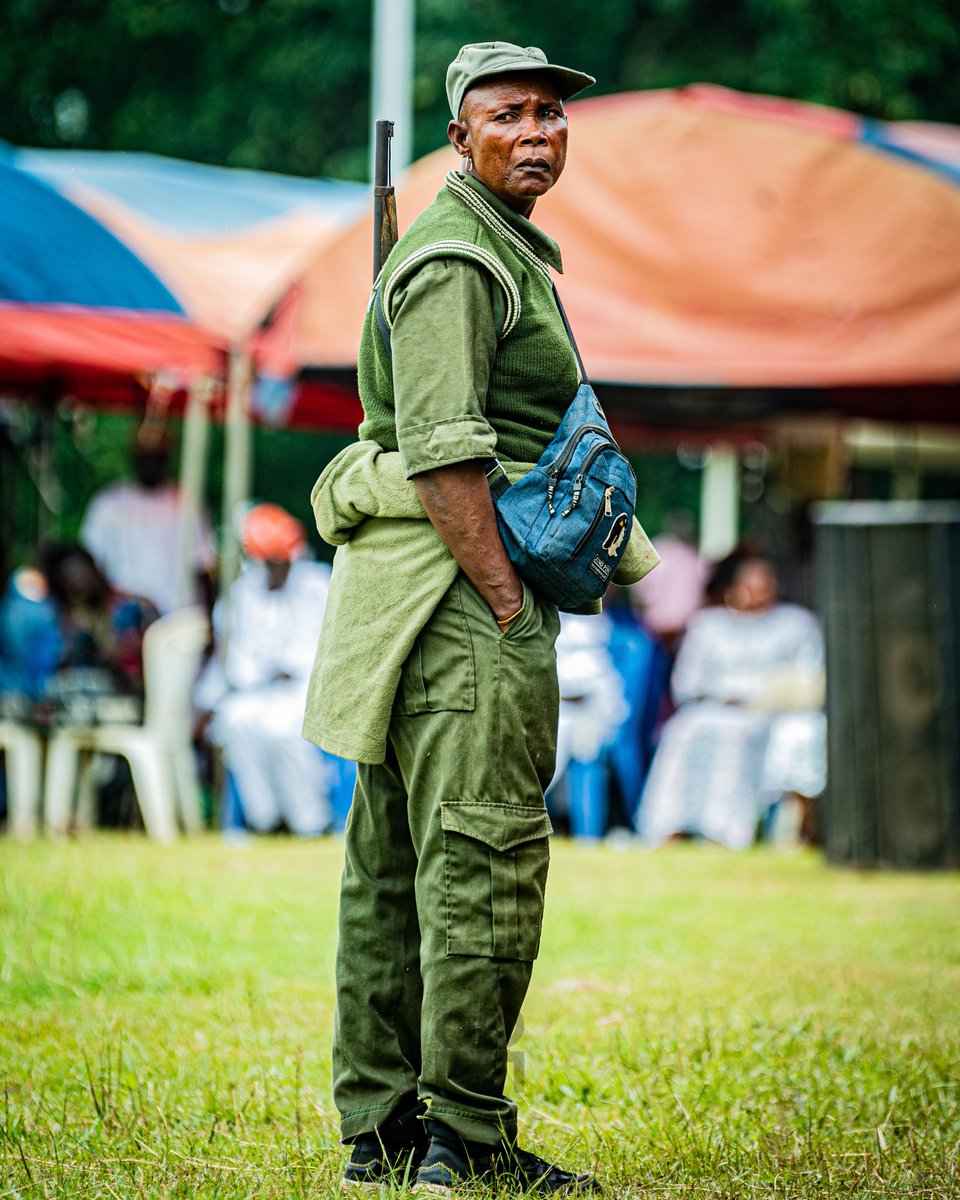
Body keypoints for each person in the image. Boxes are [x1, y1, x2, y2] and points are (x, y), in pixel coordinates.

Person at [301, 42, 657, 1195]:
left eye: (554, 115)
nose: (541, 133)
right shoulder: (458, 255)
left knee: (400, 869)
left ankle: (386, 1132)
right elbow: (449, 452)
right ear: (461, 137)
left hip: (416, 603)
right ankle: (463, 1135)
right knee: (482, 864)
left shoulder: (486, 244)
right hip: (458, 605)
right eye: (511, 115)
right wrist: (505, 603)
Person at [636, 548, 826, 850]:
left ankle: (727, 832)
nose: (759, 591)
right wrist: (722, 695)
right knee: (681, 732)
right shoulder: (707, 626)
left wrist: (765, 695)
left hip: (768, 714)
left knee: (736, 737)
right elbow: (686, 682)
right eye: (751, 584)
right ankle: (672, 826)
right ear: (732, 588)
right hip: (710, 709)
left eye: (765, 584)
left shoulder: (795, 624)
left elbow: (807, 677)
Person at [194, 503, 332, 837]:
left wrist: (290, 668)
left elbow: (327, 645)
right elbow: (230, 655)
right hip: (254, 687)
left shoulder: (317, 585)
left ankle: (308, 820)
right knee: (235, 721)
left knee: (282, 729)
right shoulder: (241, 594)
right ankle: (264, 818)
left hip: (306, 685)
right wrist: (207, 700)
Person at [80, 425, 215, 615]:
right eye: (145, 456)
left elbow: (202, 565)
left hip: (179, 618)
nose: (151, 464)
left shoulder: (187, 502)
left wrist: (208, 620)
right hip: (125, 617)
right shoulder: (108, 503)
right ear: (134, 458)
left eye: (158, 456)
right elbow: (89, 564)